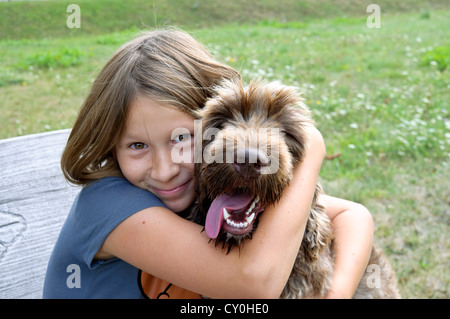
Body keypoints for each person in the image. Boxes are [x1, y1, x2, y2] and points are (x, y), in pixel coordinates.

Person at [43, 29, 373, 299]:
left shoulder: (209, 186)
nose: (165, 169)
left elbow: (352, 215)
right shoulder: (106, 205)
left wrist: (338, 292)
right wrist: (312, 145)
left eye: (181, 138)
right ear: (111, 147)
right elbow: (255, 284)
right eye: (137, 145)